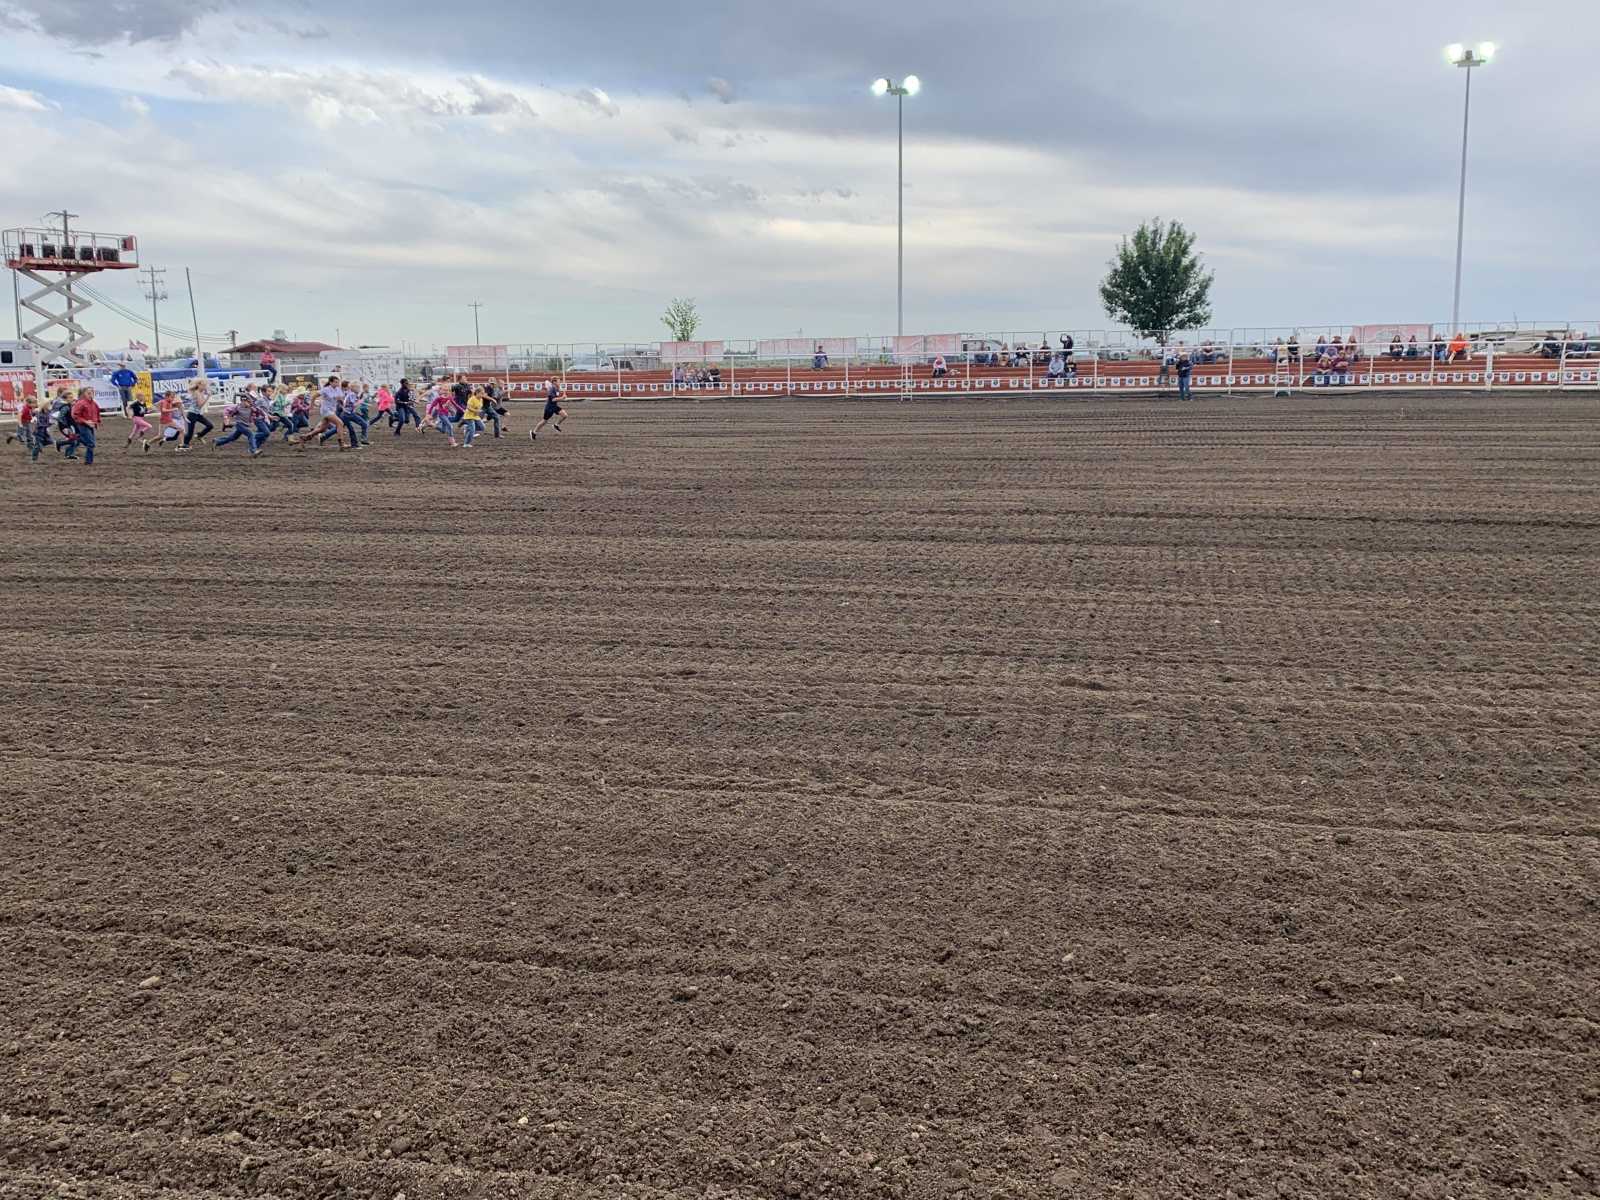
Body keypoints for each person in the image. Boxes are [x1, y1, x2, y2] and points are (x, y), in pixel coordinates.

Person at [67, 386, 101, 465]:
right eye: (88, 393)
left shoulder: (94, 404)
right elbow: (75, 416)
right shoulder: (81, 403)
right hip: (82, 425)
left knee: (89, 443)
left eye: (92, 393)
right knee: (91, 444)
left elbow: (97, 413)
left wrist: (96, 422)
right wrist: (86, 422)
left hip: (90, 425)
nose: (91, 394)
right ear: (84, 394)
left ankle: (75, 438)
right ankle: (88, 461)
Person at [180, 378, 214, 450]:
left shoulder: (200, 392)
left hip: (197, 414)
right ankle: (184, 445)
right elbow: (200, 405)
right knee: (190, 433)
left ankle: (199, 435)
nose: (205, 387)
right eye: (204, 385)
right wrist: (208, 397)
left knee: (210, 425)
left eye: (205, 386)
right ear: (199, 385)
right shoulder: (197, 392)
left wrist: (205, 394)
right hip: (192, 414)